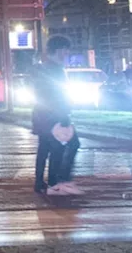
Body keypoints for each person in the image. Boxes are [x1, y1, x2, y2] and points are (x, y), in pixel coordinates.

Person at [32, 54, 81, 195]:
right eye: (65, 52)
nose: (66, 55)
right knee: (68, 145)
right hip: (53, 115)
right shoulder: (55, 70)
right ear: (60, 50)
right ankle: (58, 181)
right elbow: (59, 94)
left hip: (41, 114)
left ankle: (41, 182)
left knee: (45, 148)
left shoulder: (42, 68)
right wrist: (64, 114)